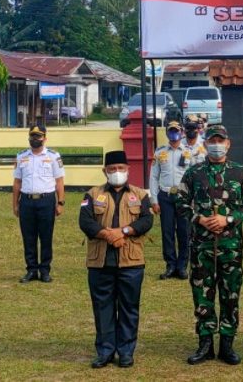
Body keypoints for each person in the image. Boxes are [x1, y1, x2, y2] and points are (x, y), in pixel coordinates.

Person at [177, 125, 243, 366]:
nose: (216, 144)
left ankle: (227, 344)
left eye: (220, 140)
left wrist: (228, 219)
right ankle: (205, 343)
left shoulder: (240, 173)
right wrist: (200, 218)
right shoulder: (194, 173)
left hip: (230, 246)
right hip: (201, 245)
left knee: (230, 293)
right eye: (212, 140)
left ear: (228, 143)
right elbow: (180, 202)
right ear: (205, 143)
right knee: (202, 293)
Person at [79, 150, 154, 369]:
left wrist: (124, 231)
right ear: (105, 171)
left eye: (121, 168)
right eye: (112, 169)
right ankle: (105, 351)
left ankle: (126, 351)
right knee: (103, 307)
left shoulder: (140, 195)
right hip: (100, 262)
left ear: (128, 170)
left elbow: (147, 220)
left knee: (130, 307)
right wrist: (108, 235)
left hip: (131, 261)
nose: (117, 173)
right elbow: (85, 222)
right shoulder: (92, 195)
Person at [11, 125, 66, 283]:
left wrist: (60, 202)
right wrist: (15, 204)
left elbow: (59, 181)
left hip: (46, 200)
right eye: (32, 136)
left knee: (46, 237)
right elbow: (17, 182)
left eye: (38, 137)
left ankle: (45, 270)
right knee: (28, 237)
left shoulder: (53, 156)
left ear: (45, 138)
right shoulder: (21, 156)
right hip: (26, 201)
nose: (35, 140)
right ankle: (31, 270)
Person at [149, 121, 193, 280]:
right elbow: (154, 177)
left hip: (184, 196)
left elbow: (194, 177)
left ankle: (182, 267)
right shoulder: (160, 152)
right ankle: (170, 265)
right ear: (167, 133)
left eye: (177, 131)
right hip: (165, 196)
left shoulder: (189, 152)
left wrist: (193, 198)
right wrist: (153, 200)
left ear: (181, 132)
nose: (174, 134)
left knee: (184, 231)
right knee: (167, 232)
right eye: (171, 131)